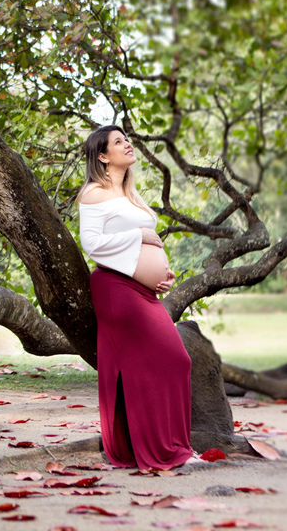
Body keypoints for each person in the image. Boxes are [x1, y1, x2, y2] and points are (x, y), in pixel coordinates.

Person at [77, 125, 193, 470]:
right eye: (118, 142)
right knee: (162, 362)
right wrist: (139, 235)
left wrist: (159, 272)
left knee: (173, 363)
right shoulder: (94, 193)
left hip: (141, 289)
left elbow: (146, 244)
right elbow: (91, 244)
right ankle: (165, 451)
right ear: (102, 155)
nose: (127, 144)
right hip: (116, 289)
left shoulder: (130, 193)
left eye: (126, 139)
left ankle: (167, 446)